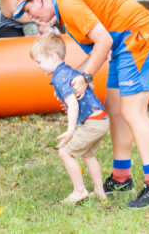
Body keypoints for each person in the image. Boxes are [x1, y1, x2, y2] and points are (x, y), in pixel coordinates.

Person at [14, 0, 149, 209]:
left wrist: (86, 78)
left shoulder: (67, 2)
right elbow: (97, 52)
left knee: (133, 112)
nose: (30, 17)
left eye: (28, 10)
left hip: (139, 36)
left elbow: (104, 41)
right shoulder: (65, 16)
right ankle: (121, 178)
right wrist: (71, 80)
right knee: (114, 110)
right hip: (124, 45)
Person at [30, 33, 109, 203]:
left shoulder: (59, 77)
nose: (38, 66)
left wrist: (70, 130)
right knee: (87, 154)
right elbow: (91, 85)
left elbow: (73, 105)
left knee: (65, 152)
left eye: (39, 62)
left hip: (92, 123)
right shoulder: (68, 71)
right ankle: (100, 192)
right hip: (101, 118)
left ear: (52, 57)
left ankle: (79, 191)